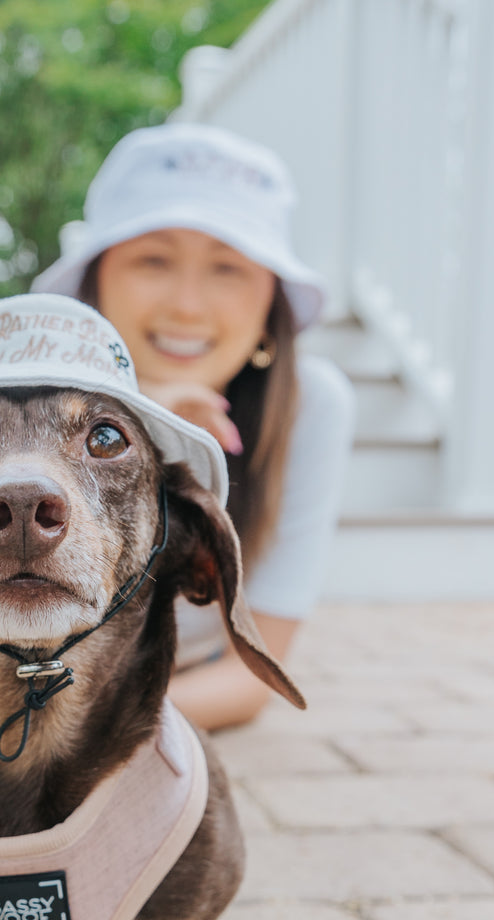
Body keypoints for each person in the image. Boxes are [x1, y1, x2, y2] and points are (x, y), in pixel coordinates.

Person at [32, 123, 354, 731]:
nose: (187, 305)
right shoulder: (15, 399)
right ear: (96, 282)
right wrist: (129, 421)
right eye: (153, 259)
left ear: (271, 303)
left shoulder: (312, 405)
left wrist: (88, 727)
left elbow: (252, 677)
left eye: (228, 268)